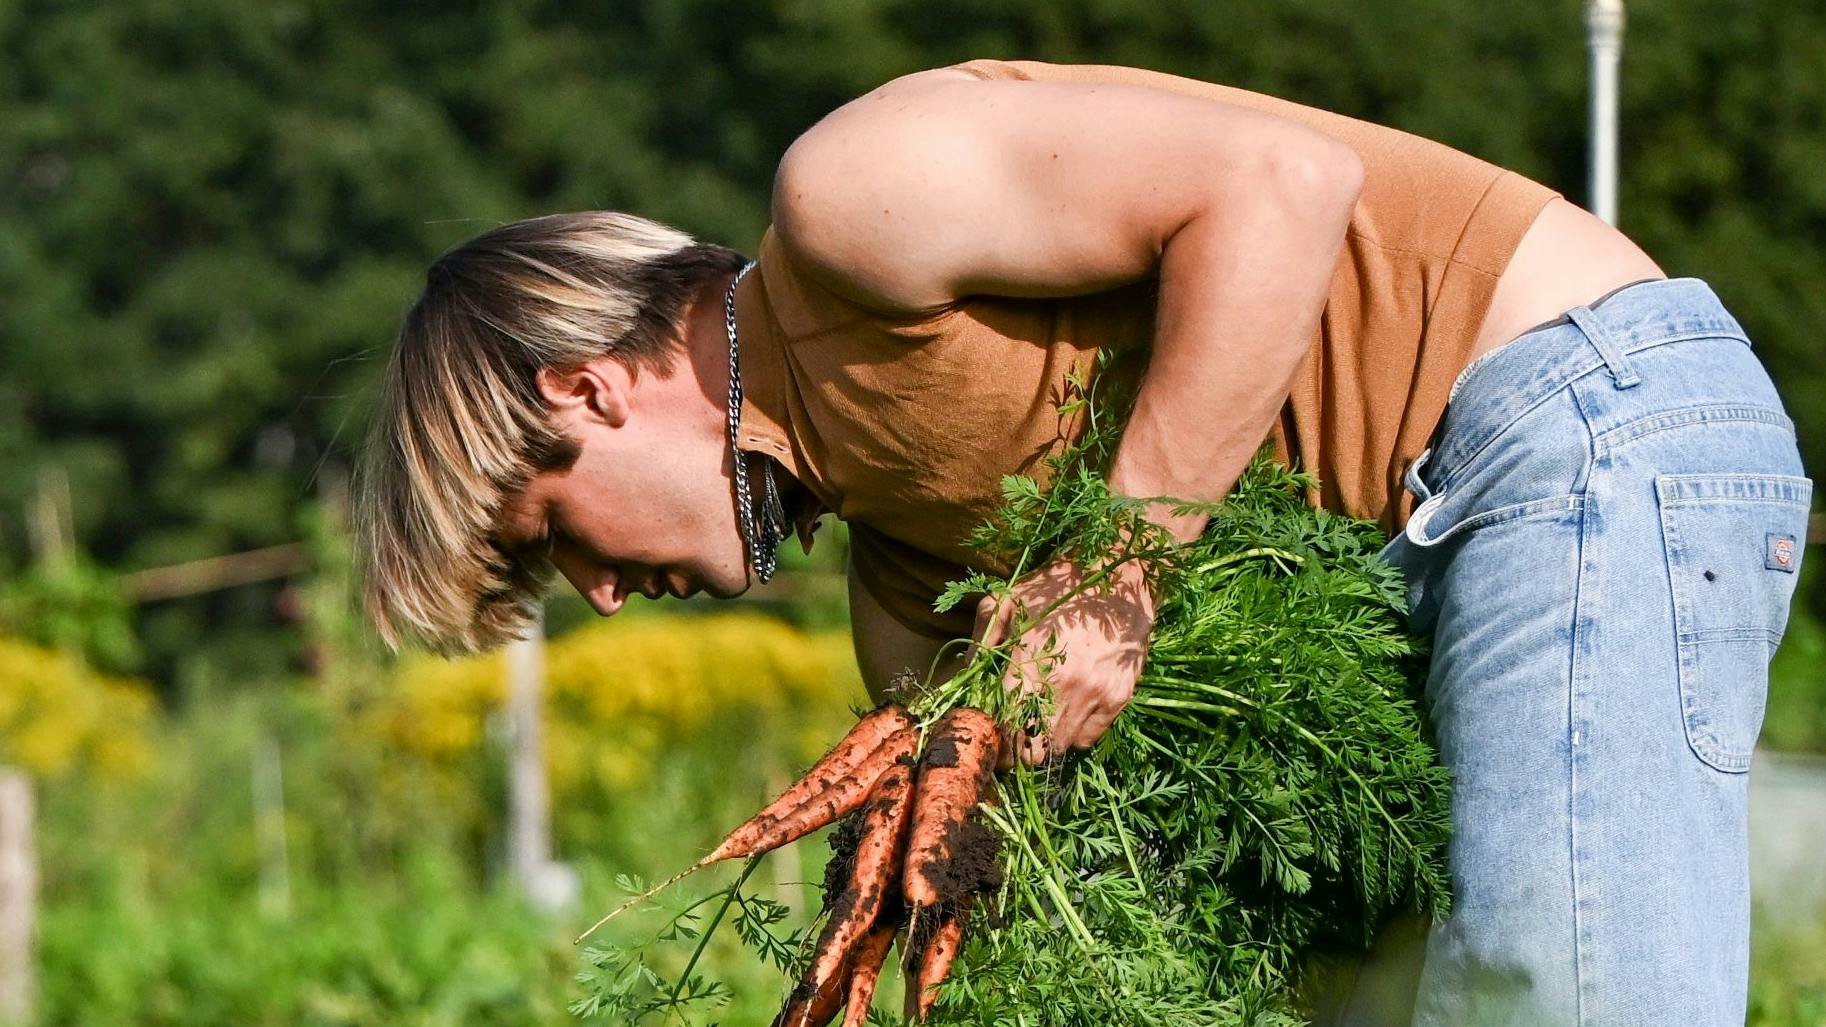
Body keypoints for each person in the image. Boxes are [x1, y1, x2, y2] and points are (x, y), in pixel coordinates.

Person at [353, 59, 1811, 1026]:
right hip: (1401, 572)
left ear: (588, 388)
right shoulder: (909, 577)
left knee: (1555, 992)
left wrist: (1119, 569)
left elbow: (1280, 188)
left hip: (1566, 415)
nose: (606, 600)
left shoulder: (853, 202)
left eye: (558, 543)